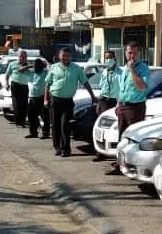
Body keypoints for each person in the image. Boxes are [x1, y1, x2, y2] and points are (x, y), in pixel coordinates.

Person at [106, 42, 150, 175]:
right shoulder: (124, 68)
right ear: (125, 53)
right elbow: (122, 88)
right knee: (122, 137)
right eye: (129, 53)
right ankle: (120, 164)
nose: (132, 56)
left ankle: (133, 165)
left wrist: (132, 70)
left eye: (134, 53)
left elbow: (142, 87)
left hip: (135, 108)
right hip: (123, 107)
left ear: (139, 54)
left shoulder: (143, 68)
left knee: (134, 138)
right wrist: (118, 104)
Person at [45, 47, 96, 157]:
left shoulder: (76, 69)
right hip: (55, 99)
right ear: (59, 56)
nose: (65, 58)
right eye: (63, 55)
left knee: (65, 125)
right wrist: (46, 99)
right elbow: (48, 84)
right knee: (55, 125)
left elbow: (85, 82)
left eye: (67, 56)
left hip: (67, 101)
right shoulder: (53, 67)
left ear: (70, 57)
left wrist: (92, 95)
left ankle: (66, 149)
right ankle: (57, 147)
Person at [94, 49, 124, 163]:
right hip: (103, 101)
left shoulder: (120, 73)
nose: (108, 60)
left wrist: (118, 103)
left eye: (110, 57)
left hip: (114, 101)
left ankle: (114, 154)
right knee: (101, 127)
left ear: (115, 59)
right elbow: (102, 88)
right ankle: (99, 153)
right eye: (106, 58)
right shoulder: (104, 72)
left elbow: (122, 89)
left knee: (113, 128)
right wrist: (98, 104)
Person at [6, 50, 31, 128]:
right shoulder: (12, 64)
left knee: (24, 104)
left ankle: (23, 121)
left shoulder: (30, 65)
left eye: (24, 56)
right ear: (18, 56)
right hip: (15, 85)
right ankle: (18, 122)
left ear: (26, 57)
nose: (22, 58)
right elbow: (7, 75)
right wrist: (7, 84)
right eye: (21, 56)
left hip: (24, 85)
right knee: (16, 104)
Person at [26, 58, 50, 140]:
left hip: (42, 97)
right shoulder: (31, 72)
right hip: (32, 97)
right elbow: (20, 70)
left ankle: (45, 133)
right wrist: (30, 66)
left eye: (37, 66)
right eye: (34, 66)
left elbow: (51, 72)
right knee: (31, 116)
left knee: (45, 117)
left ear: (41, 66)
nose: (35, 68)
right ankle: (33, 133)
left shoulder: (45, 72)